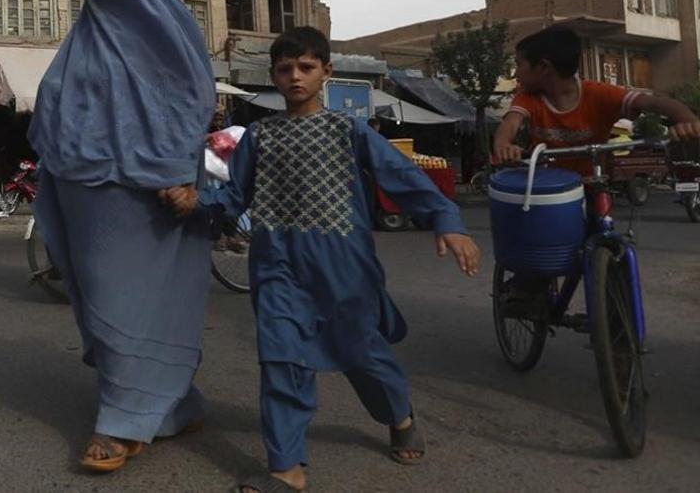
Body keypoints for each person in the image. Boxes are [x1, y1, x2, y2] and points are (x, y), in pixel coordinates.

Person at [162, 27, 481, 492]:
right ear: (273, 75)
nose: (295, 76)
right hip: (277, 267)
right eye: (285, 69)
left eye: (306, 68)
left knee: (362, 354)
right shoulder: (257, 136)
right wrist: (196, 203)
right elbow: (232, 199)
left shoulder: (348, 130)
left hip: (344, 267)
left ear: (325, 72)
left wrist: (446, 220)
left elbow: (400, 175)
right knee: (280, 359)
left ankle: (399, 414)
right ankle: (286, 468)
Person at [29, 0, 216, 473]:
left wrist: (179, 175)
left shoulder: (169, 28)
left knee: (126, 304)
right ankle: (175, 404)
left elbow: (191, 100)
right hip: (85, 193)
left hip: (150, 194)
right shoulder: (80, 43)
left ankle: (118, 420)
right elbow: (51, 114)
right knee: (100, 299)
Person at [493, 25, 700, 173]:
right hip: (548, 187)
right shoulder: (527, 98)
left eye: (519, 64)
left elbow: (655, 103)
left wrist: (689, 122)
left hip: (594, 183)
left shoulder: (599, 94)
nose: (515, 74)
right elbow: (510, 124)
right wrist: (504, 146)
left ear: (543, 67)